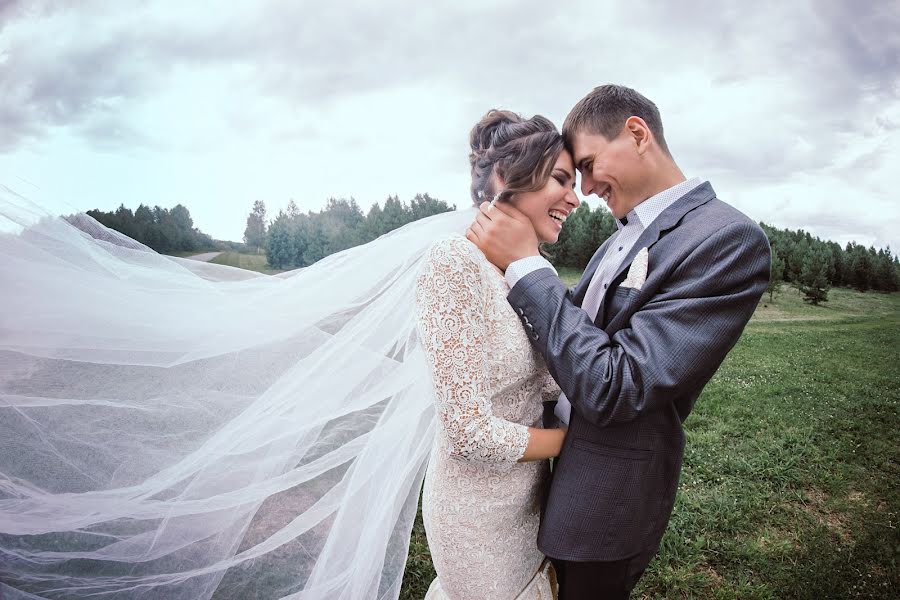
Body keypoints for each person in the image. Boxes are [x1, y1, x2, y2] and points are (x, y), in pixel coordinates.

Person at [466, 84, 771, 599]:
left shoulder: (727, 239)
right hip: (546, 479)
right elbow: (575, 333)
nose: (583, 188)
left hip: (606, 502)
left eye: (586, 164)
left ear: (636, 133)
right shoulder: (620, 235)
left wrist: (525, 266)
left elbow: (619, 384)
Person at [414, 109, 577, 599]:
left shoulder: (528, 272)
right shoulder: (453, 263)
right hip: (476, 515)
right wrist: (573, 445)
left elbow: (554, 380)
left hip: (532, 501)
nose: (575, 197)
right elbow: (467, 432)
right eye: (561, 179)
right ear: (505, 178)